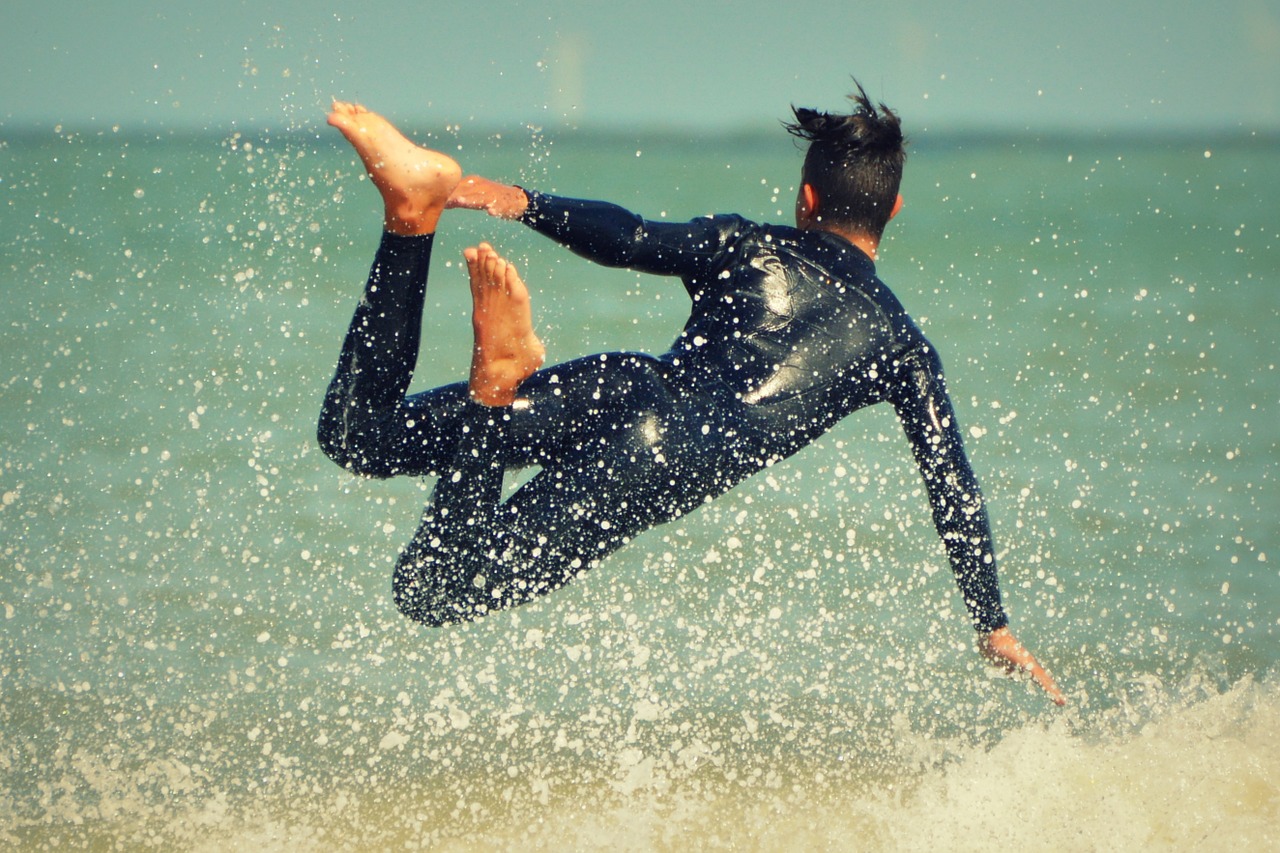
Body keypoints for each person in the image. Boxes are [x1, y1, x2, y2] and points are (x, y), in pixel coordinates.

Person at [318, 84, 1066, 705]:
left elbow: (631, 236)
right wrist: (990, 621)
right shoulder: (902, 346)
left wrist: (513, 198)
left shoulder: (751, 244)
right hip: (650, 466)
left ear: (807, 199)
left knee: (358, 436)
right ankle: (493, 387)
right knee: (436, 592)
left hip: (622, 383)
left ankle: (412, 215)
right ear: (891, 211)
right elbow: (952, 481)